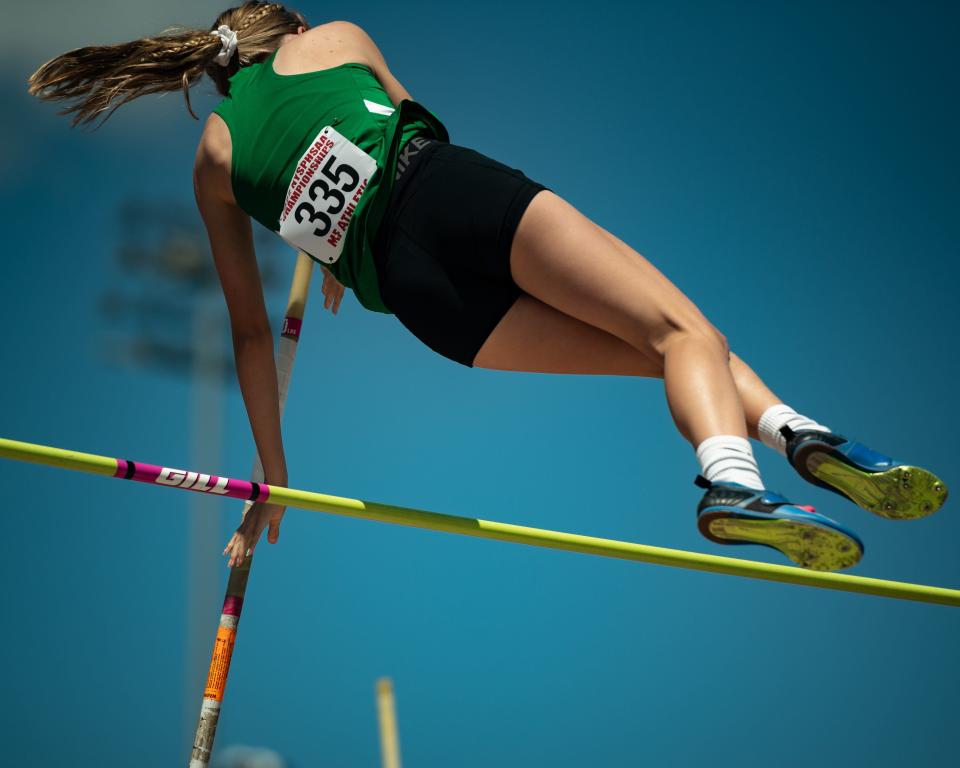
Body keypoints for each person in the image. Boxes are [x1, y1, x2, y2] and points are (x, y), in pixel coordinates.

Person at [28, 2, 947, 573]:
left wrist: (274, 474)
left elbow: (247, 333)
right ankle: (742, 478)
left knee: (665, 358)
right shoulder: (337, 36)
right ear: (288, 31)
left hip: (418, 297)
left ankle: (792, 435)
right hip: (446, 194)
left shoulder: (213, 160)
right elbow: (418, 118)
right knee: (684, 333)